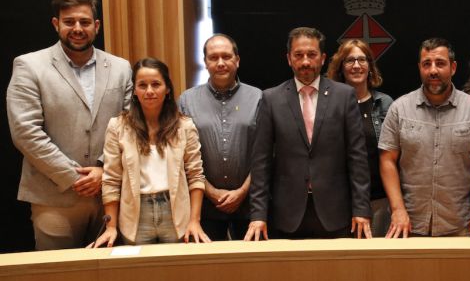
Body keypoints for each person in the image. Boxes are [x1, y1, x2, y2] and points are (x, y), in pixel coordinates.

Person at [6, 0, 132, 250]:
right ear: (56, 24)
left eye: (84, 22)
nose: (77, 28)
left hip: (110, 194)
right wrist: (73, 177)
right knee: (59, 280)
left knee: (110, 280)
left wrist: (103, 169)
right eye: (69, 22)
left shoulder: (121, 68)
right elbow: (25, 132)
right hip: (54, 196)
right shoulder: (29, 66)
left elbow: (130, 126)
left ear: (96, 26)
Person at [244, 27, 371, 240]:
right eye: (298, 55)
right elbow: (261, 163)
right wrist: (258, 215)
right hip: (286, 215)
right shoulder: (271, 99)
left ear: (322, 58)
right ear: (288, 59)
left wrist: (361, 210)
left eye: (311, 55)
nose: (305, 62)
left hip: (337, 213)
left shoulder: (344, 96)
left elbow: (357, 159)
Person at [379, 38, 470, 238]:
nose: (433, 70)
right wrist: (397, 209)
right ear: (419, 68)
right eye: (427, 64)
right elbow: (387, 160)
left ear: (453, 67)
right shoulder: (399, 108)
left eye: (440, 63)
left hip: (460, 224)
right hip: (408, 224)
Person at [90, 57, 210, 247]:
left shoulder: (184, 126)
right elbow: (111, 179)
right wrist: (111, 226)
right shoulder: (118, 126)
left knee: (177, 272)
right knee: (140, 275)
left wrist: (195, 221)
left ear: (167, 88)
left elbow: (196, 176)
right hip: (136, 215)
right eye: (142, 85)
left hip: (176, 213)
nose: (149, 91)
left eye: (156, 84)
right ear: (135, 91)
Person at [178, 34, 262, 241]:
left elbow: (266, 153)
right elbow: (181, 156)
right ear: (205, 62)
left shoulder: (259, 97)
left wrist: (242, 191)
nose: (221, 63)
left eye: (226, 56)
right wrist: (211, 191)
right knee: (209, 271)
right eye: (213, 57)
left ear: (237, 60)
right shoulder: (186, 100)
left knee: (253, 269)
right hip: (204, 207)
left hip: (250, 205)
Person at [327, 39, 393, 237]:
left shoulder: (384, 103)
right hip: (342, 201)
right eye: (350, 60)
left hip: (379, 198)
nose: (356, 65)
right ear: (341, 68)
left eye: (362, 60)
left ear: (370, 66)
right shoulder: (328, 105)